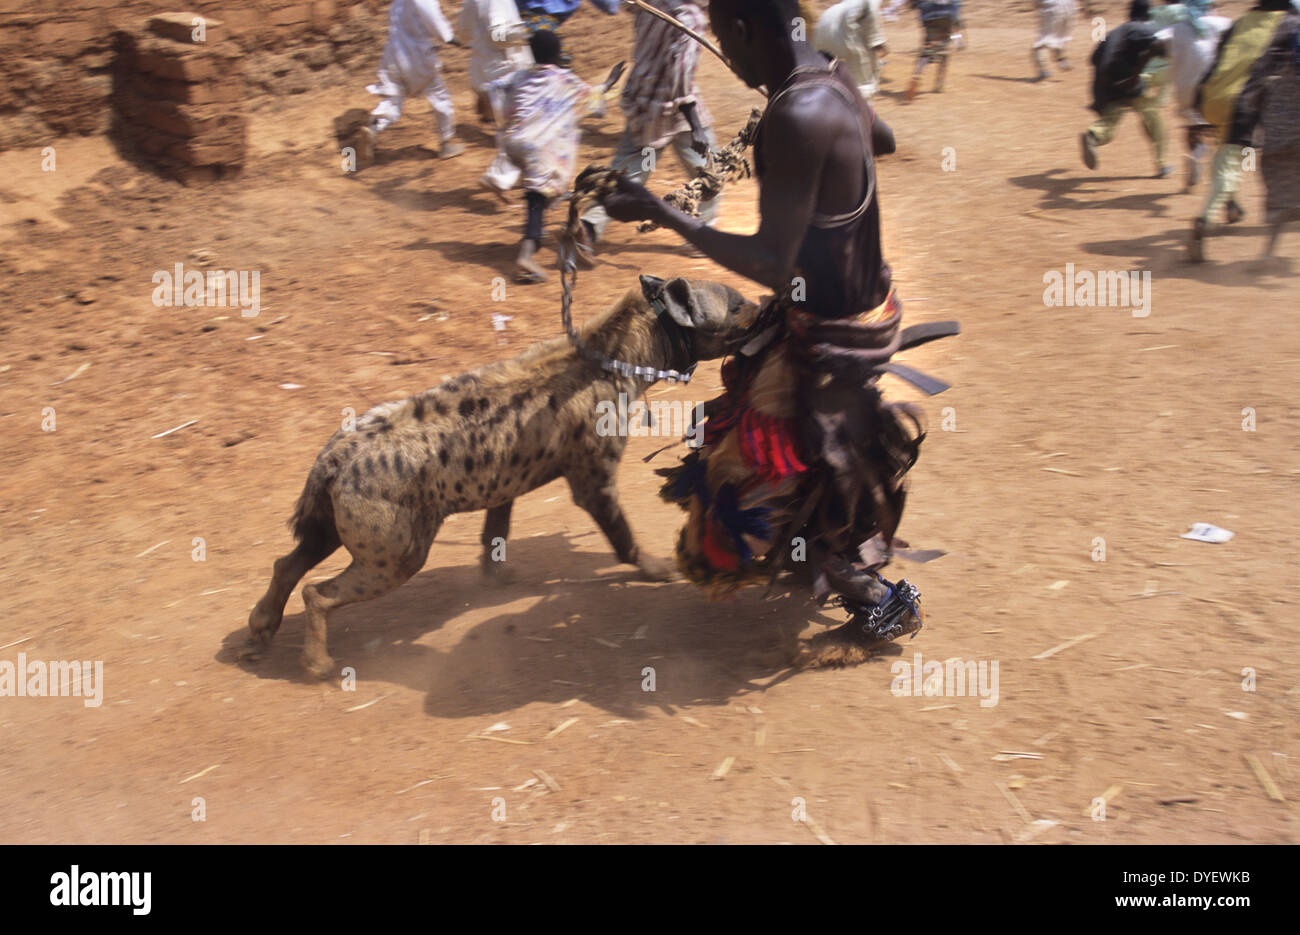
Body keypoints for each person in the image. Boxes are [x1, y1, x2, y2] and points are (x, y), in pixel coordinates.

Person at [598, 0, 947, 657]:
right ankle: (834, 560)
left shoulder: (796, 112)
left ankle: (878, 602)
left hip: (835, 330)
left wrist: (661, 212)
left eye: (725, 40)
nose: (729, 60)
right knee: (779, 437)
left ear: (741, 27)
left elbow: (769, 259)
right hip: (857, 304)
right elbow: (885, 139)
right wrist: (818, 156)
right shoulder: (832, 79)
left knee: (750, 477)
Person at [579, 0, 719, 259]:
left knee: (629, 169)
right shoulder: (691, 20)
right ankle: (704, 236)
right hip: (674, 107)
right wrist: (695, 124)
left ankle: (589, 225)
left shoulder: (651, 3)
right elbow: (681, 76)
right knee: (709, 167)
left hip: (640, 99)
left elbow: (622, 4)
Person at [488, 30, 608, 283]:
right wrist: (607, 86)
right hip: (539, 151)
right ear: (557, 53)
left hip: (515, 144)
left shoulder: (521, 75)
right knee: (538, 197)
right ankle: (527, 254)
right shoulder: (563, 78)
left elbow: (498, 94)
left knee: (540, 191)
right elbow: (592, 101)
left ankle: (566, 234)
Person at [1189, 0, 1294, 261]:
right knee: (1230, 161)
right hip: (1243, 102)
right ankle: (1206, 218)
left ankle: (1231, 205)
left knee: (1226, 154)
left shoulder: (1241, 23)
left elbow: (1219, 57)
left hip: (1211, 95)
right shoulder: (1290, 24)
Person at [1224, 9, 1300, 261]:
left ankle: (1268, 254)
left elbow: (1252, 98)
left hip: (1277, 145)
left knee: (1280, 200)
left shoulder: (1271, 72)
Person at [356, 0, 465, 166]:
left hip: (392, 55)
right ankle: (446, 142)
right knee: (440, 96)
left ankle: (374, 127)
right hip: (416, 56)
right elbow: (433, 18)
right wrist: (450, 37)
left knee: (393, 99)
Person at [1079, 0, 1170, 177]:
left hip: (1106, 85)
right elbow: (1160, 47)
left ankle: (1093, 136)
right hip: (1130, 83)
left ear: (1128, 14)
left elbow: (1093, 58)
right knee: (1154, 118)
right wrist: (1136, 73)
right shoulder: (1142, 29)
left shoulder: (1112, 33)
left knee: (1110, 121)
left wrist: (1110, 80)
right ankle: (1162, 165)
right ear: (1148, 15)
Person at [456, 0, 533, 124]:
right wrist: (525, 33)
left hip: (482, 68)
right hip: (504, 71)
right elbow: (496, 36)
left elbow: (463, 31)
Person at [814, 0, 889, 100]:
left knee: (827, 76)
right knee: (864, 82)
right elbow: (871, 14)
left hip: (824, 24)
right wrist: (878, 43)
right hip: (843, 34)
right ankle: (861, 108)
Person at [903, 0, 964, 102]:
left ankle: (917, 75)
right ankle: (939, 83)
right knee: (944, 46)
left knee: (927, 47)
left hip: (929, 13)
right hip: (948, 14)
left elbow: (912, 4)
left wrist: (913, 5)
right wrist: (958, 36)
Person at [1032, 0, 1077, 81]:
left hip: (1052, 6)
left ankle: (1043, 71)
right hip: (1070, 6)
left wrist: (1037, 5)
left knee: (1042, 40)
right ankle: (1062, 61)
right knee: (1060, 35)